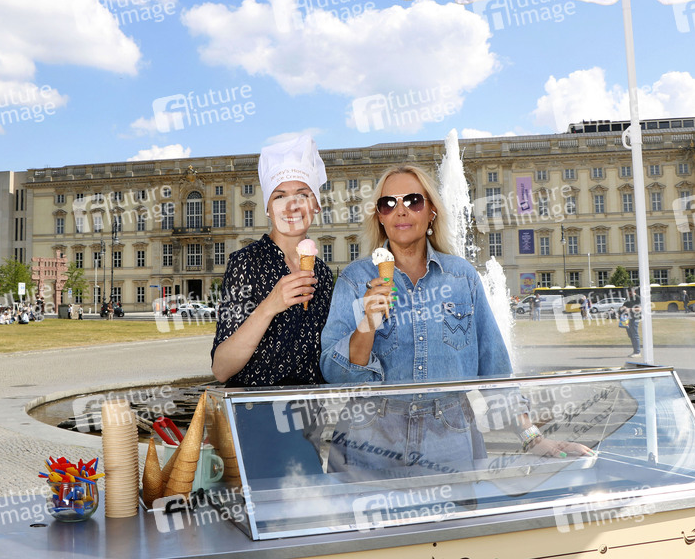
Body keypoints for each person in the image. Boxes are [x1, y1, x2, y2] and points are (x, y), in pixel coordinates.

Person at [320, 165, 590, 476]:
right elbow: (333, 373)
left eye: (413, 201)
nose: (400, 211)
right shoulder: (355, 279)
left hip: (448, 440)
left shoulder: (462, 277)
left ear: (431, 211)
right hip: (370, 440)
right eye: (388, 203)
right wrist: (367, 324)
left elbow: (494, 369)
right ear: (380, 216)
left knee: (451, 511)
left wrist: (532, 438)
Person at [211, 134, 332, 387]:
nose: (291, 206)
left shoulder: (322, 272)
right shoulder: (246, 263)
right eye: (279, 196)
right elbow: (221, 369)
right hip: (256, 407)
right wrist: (269, 306)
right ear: (268, 208)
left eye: (302, 194)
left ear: (316, 205)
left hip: (312, 407)